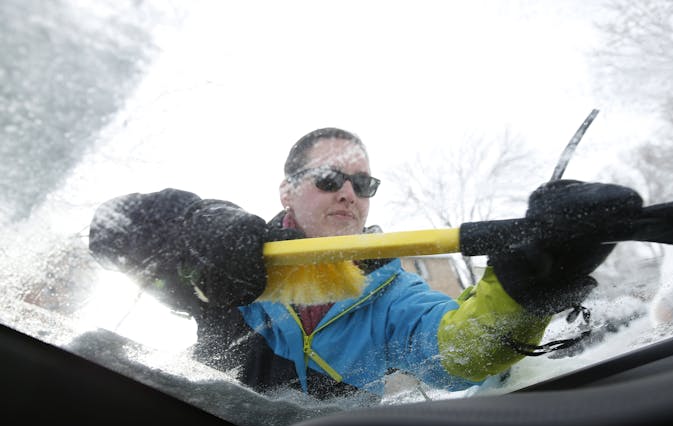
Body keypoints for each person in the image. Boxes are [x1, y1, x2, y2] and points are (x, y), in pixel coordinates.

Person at [88, 127, 642, 400]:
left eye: (363, 183)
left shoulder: (390, 292)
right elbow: (108, 230)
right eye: (330, 179)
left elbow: (457, 360)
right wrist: (198, 217)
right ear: (287, 191)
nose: (349, 194)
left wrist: (527, 285)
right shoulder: (221, 262)